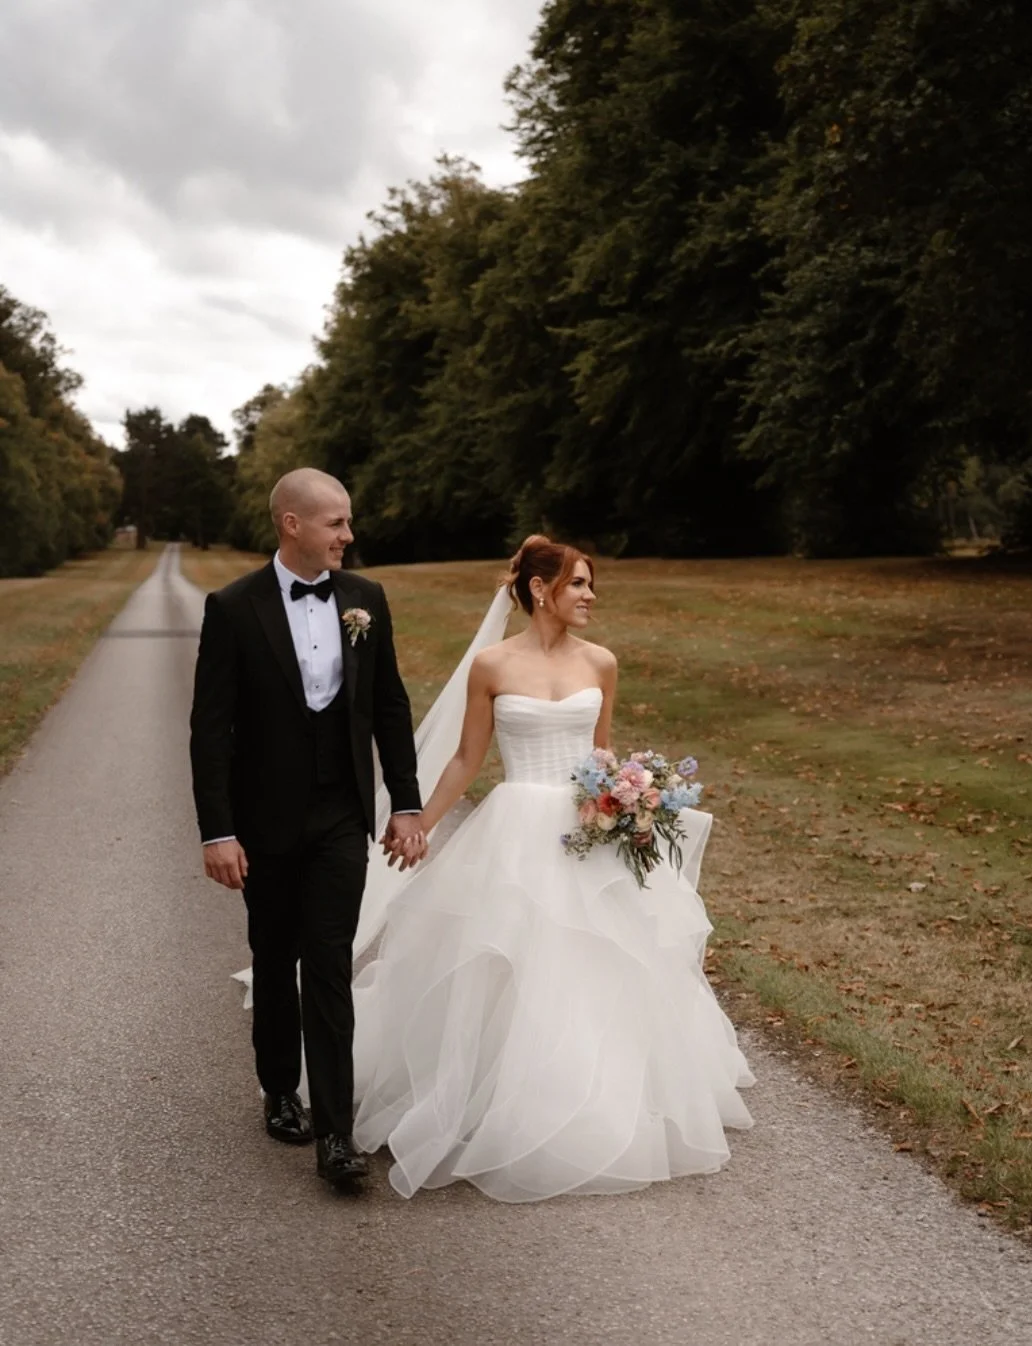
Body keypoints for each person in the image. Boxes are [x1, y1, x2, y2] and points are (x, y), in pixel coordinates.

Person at [355, 535, 754, 1202]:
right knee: (507, 959)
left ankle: (593, 1103)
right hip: (514, 828)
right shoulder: (491, 665)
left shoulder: (602, 663)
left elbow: (601, 754)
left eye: (591, 585)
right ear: (541, 590)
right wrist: (420, 819)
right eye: (578, 584)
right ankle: (493, 1097)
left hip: (585, 829)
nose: (591, 595)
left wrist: (629, 799)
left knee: (597, 962)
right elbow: (465, 760)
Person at [190, 468, 427, 1186]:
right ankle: (277, 1088)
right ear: (291, 524)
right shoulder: (234, 608)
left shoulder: (365, 600)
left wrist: (407, 804)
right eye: (336, 523)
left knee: (328, 961)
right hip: (262, 821)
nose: (348, 536)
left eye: (348, 522)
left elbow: (388, 704)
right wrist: (217, 831)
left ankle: (335, 1136)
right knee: (274, 953)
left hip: (339, 816)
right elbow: (211, 731)